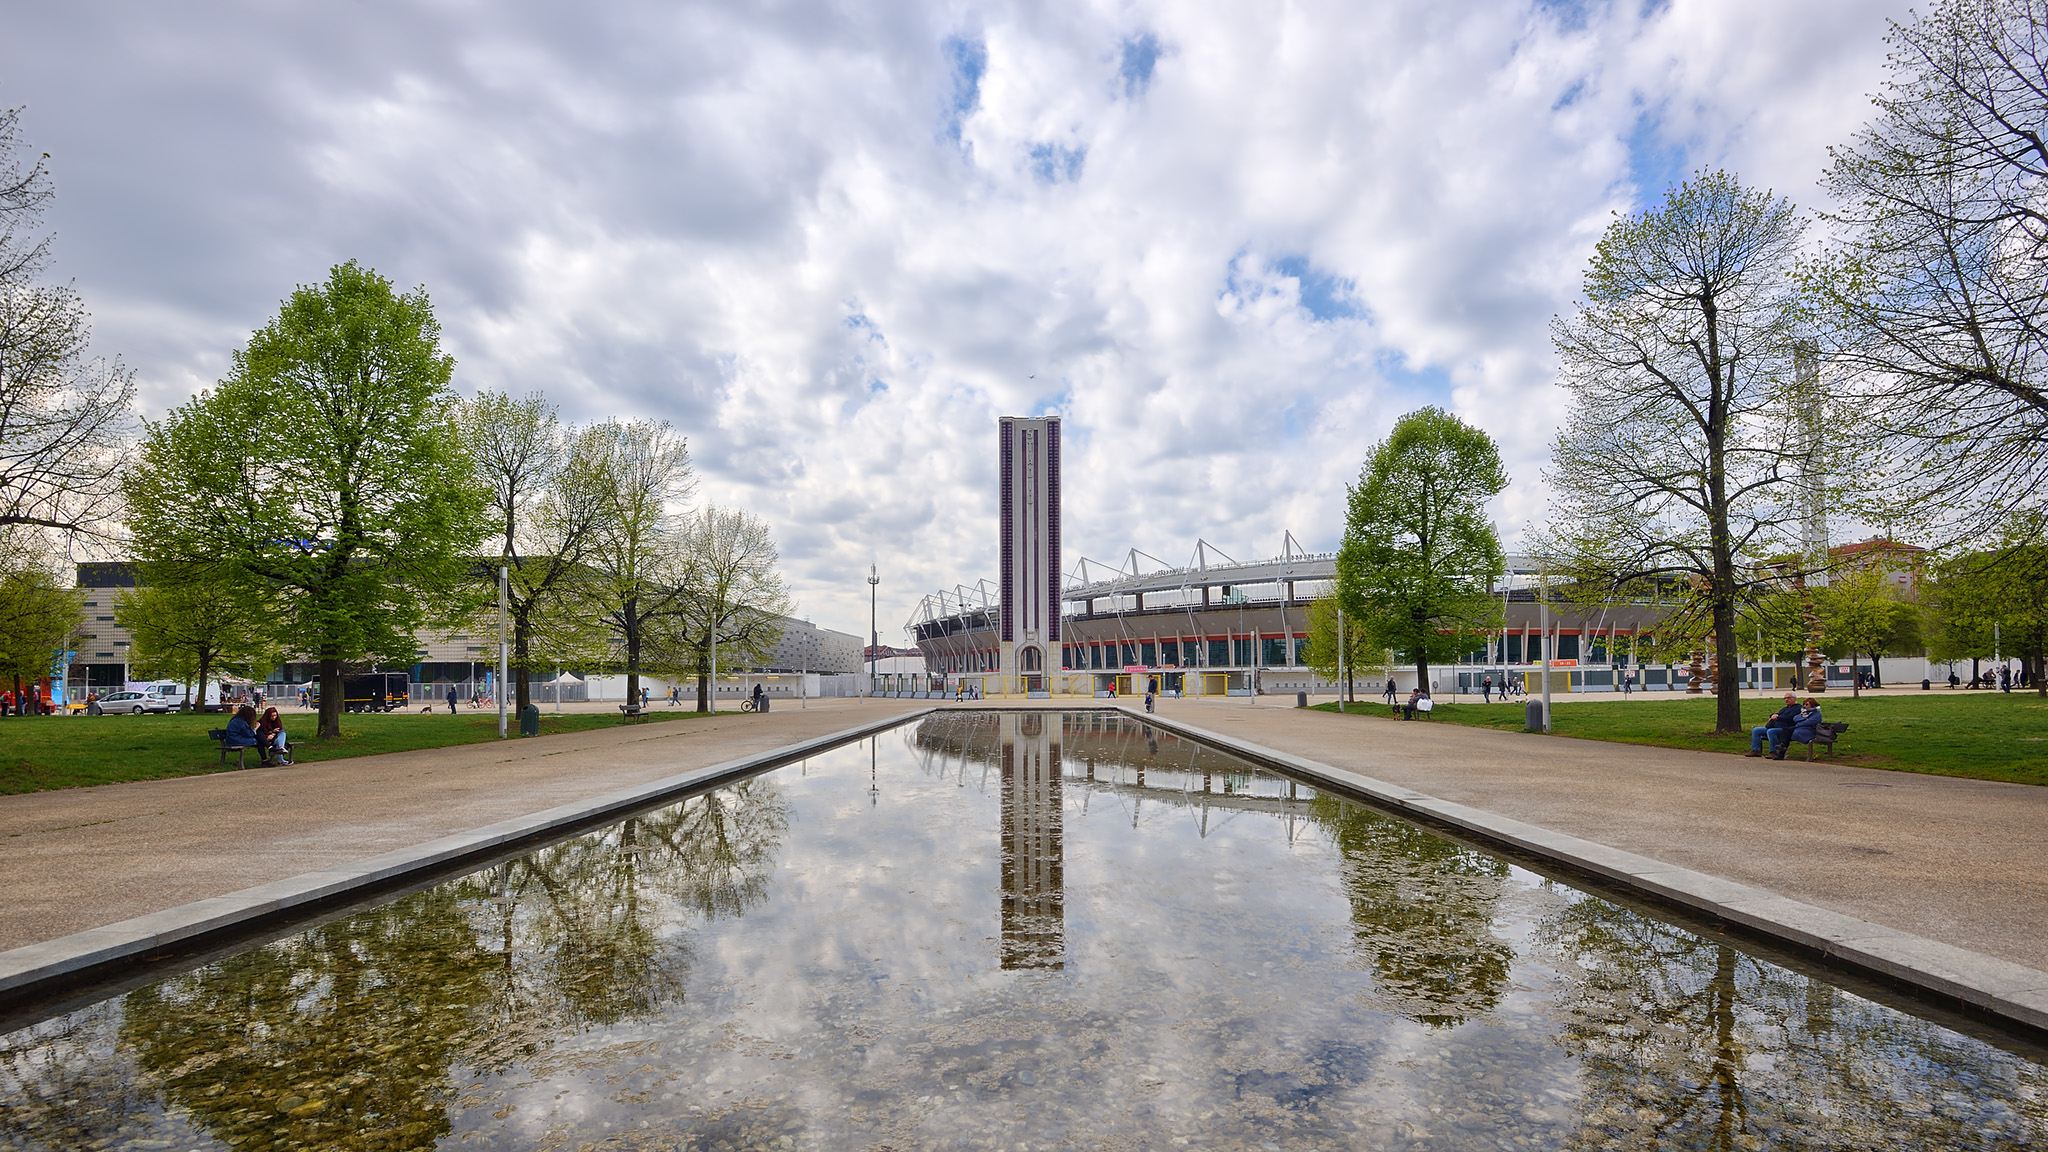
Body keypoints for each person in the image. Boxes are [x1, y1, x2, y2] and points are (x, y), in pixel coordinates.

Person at [1747, 693, 1801, 757]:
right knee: (1756, 730)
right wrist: (1773, 716)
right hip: (1775, 726)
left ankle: (1773, 752)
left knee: (1771, 731)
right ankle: (1756, 750)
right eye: (1785, 698)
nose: (1786, 700)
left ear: (1794, 699)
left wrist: (1778, 717)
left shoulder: (1798, 708)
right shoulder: (1785, 709)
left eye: (1789, 698)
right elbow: (1778, 714)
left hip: (1785, 729)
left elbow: (1790, 718)